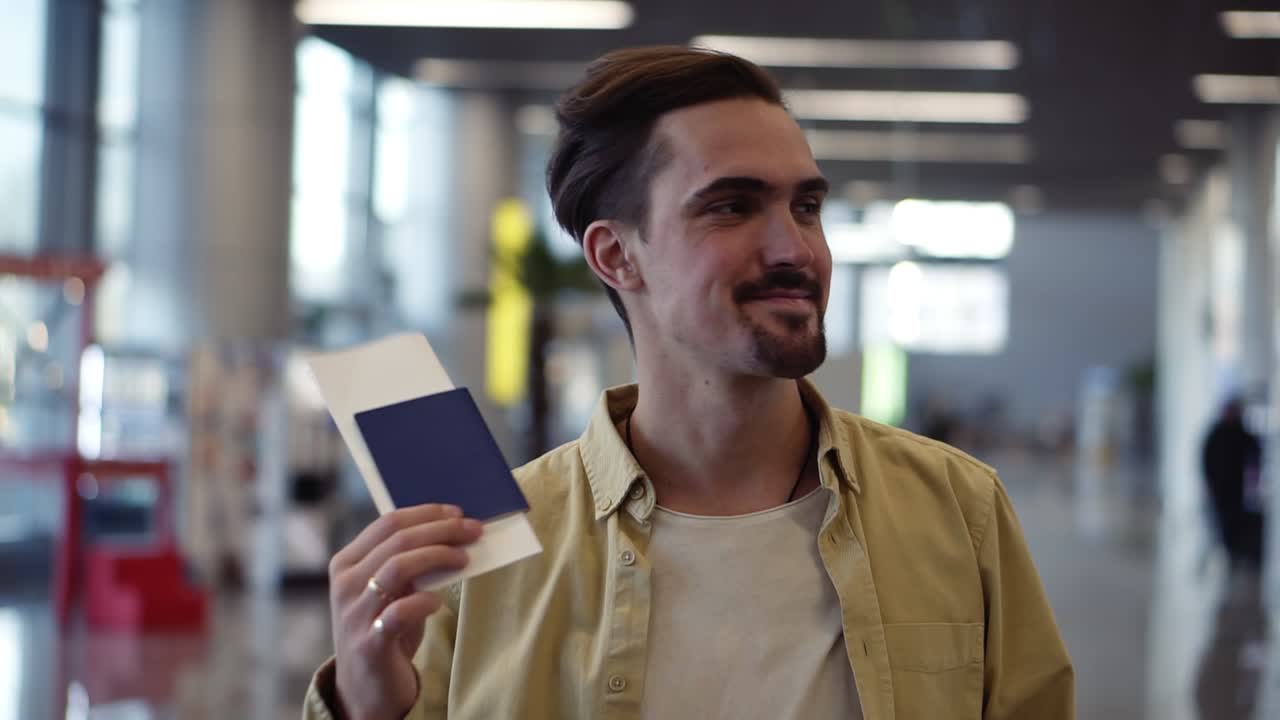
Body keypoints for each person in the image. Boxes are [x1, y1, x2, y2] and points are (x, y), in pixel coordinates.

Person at [304, 46, 1074, 720]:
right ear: (616, 256)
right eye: (732, 207)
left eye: (806, 206)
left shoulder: (954, 510)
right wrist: (367, 708)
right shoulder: (478, 557)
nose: (795, 248)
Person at [1201, 396, 1264, 571]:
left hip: (1236, 486)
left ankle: (1237, 551)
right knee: (1223, 519)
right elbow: (1206, 459)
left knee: (1237, 519)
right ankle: (1229, 551)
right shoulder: (1215, 433)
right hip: (1219, 486)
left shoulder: (1240, 432)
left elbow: (1255, 449)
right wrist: (1208, 483)